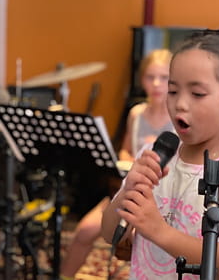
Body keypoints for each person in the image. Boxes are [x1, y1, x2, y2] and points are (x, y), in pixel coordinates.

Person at [101, 34, 219, 279]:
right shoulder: (155, 156)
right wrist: (127, 193)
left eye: (197, 94)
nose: (180, 104)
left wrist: (159, 231)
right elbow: (110, 233)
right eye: (173, 90)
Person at [59, 49, 174, 280]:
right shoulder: (136, 113)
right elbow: (125, 149)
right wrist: (132, 159)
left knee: (140, 242)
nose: (156, 84)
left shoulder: (178, 117)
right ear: (142, 80)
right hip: (129, 189)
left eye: (163, 77)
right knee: (84, 230)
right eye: (150, 77)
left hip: (163, 196)